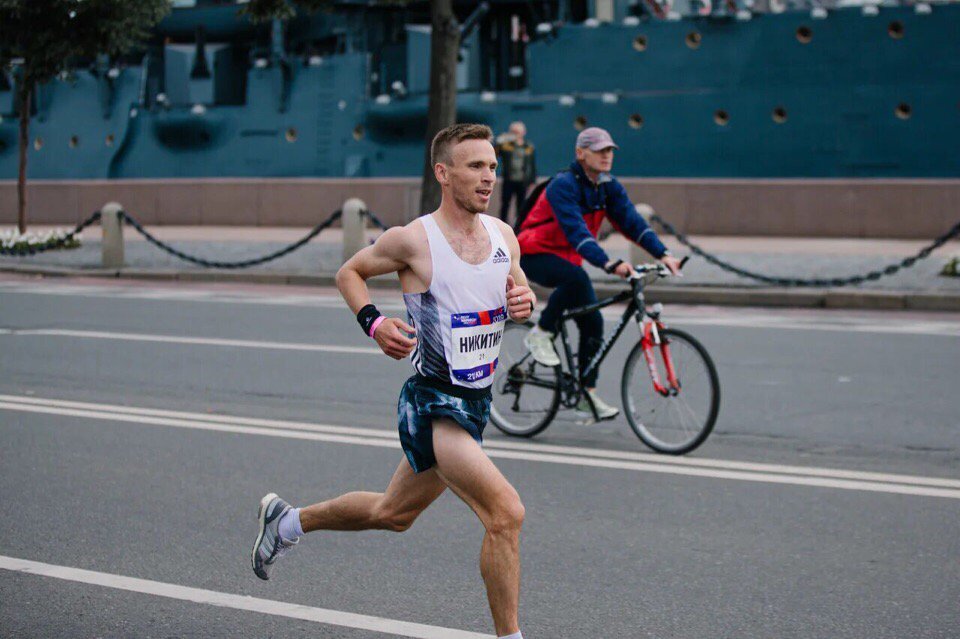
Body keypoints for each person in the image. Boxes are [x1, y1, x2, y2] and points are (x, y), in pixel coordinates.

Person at [251, 123, 536, 639]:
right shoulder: (414, 239)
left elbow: (519, 289)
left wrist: (524, 300)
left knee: (393, 513)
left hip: (475, 403)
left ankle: (287, 522)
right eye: (476, 166)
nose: (489, 177)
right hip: (434, 406)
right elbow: (349, 273)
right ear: (443, 173)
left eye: (493, 166)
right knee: (505, 513)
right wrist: (375, 323)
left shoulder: (502, 235)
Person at [517, 126, 682, 420]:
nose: (607, 156)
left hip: (569, 258)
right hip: (534, 252)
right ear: (580, 153)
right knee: (575, 278)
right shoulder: (562, 185)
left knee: (593, 323)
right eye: (599, 150)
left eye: (610, 150)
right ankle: (541, 334)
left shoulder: (608, 186)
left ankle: (586, 394)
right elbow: (577, 232)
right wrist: (609, 264)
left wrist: (664, 254)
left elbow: (633, 223)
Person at [495, 121, 536, 225]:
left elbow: (532, 164)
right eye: (513, 132)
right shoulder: (505, 146)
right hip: (509, 179)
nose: (516, 134)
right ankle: (502, 225)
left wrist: (532, 180)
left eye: (518, 132)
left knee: (521, 205)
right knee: (505, 204)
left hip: (523, 181)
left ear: (523, 132)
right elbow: (495, 154)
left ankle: (519, 226)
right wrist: (499, 142)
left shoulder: (528, 146)